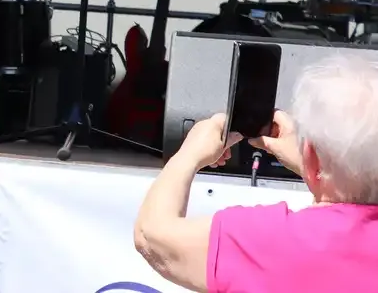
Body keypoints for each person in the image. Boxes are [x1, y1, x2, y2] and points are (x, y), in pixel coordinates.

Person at [133, 54, 378, 292]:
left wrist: (190, 153)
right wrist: (317, 168)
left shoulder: (268, 241)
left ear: (310, 153)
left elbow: (151, 236)